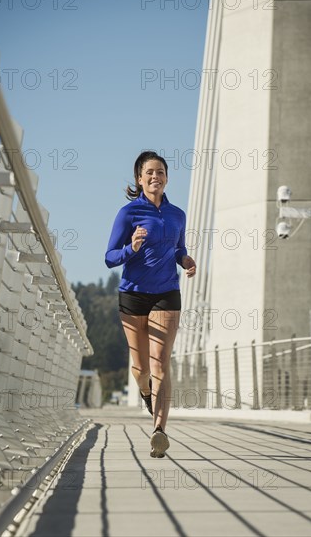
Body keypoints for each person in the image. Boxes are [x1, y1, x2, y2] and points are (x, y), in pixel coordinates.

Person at [105, 151, 196, 458]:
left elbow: (177, 250)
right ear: (139, 179)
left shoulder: (177, 215)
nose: (155, 177)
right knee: (141, 366)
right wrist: (131, 248)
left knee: (160, 361)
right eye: (150, 173)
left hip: (166, 293)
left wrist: (185, 260)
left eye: (161, 172)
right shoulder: (128, 213)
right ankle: (145, 391)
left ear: (167, 177)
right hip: (132, 294)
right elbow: (109, 257)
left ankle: (159, 430)